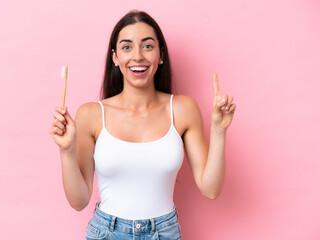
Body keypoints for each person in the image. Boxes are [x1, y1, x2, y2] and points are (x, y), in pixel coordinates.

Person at [49, 10, 236, 240]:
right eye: (127, 47)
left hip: (164, 233)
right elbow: (79, 202)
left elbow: (211, 188)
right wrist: (66, 151)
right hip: (106, 233)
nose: (137, 56)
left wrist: (219, 130)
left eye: (147, 46)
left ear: (160, 55)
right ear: (115, 57)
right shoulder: (91, 114)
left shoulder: (183, 109)